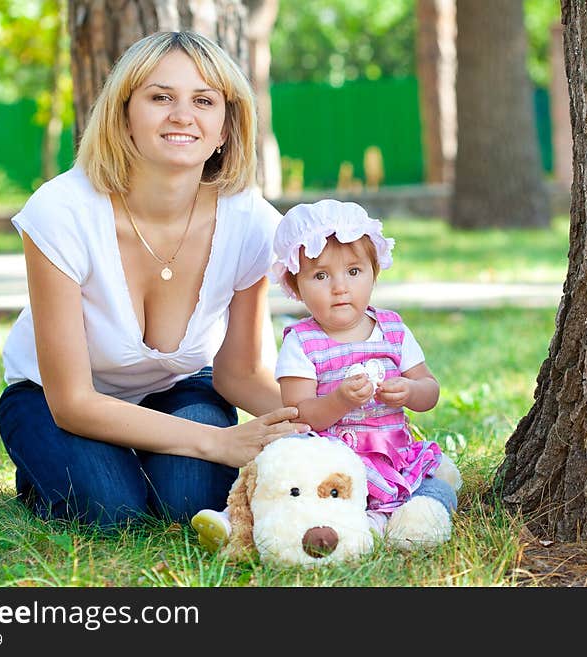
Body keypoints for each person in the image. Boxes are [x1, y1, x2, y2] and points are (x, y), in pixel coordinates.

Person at [0, 31, 310, 531]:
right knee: (112, 512)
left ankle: (136, 463)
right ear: (124, 115)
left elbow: (241, 375)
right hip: (54, 401)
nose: (182, 115)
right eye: (160, 97)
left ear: (226, 126)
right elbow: (73, 400)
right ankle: (52, 470)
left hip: (180, 388)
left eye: (204, 100)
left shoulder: (251, 222)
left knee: (192, 505)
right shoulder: (62, 212)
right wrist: (218, 443)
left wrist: (334, 423)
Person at [191, 199, 458, 550]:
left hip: (390, 454)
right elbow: (300, 412)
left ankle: (389, 524)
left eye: (353, 271)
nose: (340, 287)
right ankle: (236, 522)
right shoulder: (303, 342)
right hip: (325, 456)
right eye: (320, 275)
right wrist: (340, 399)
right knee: (283, 473)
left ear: (374, 273)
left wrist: (409, 391)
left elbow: (430, 390)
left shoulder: (393, 330)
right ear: (296, 286)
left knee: (435, 481)